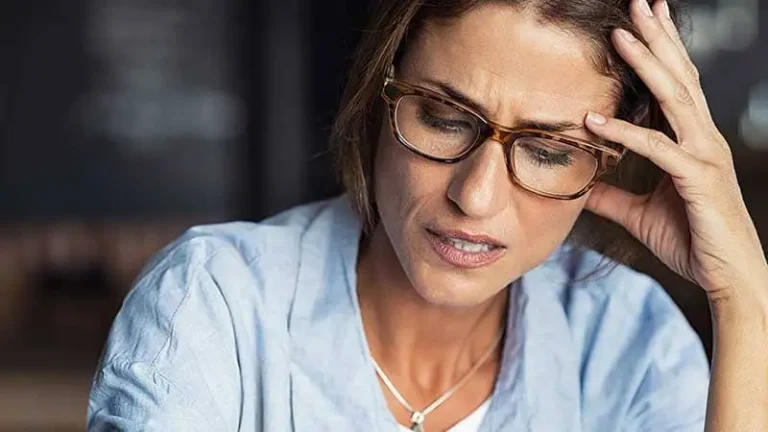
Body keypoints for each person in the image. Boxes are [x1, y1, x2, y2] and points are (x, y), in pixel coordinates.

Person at [87, 0, 768, 430]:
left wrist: (744, 298)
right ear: (380, 94)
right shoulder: (214, 304)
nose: (475, 198)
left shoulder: (630, 345)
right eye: (444, 118)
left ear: (608, 162)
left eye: (550, 151)